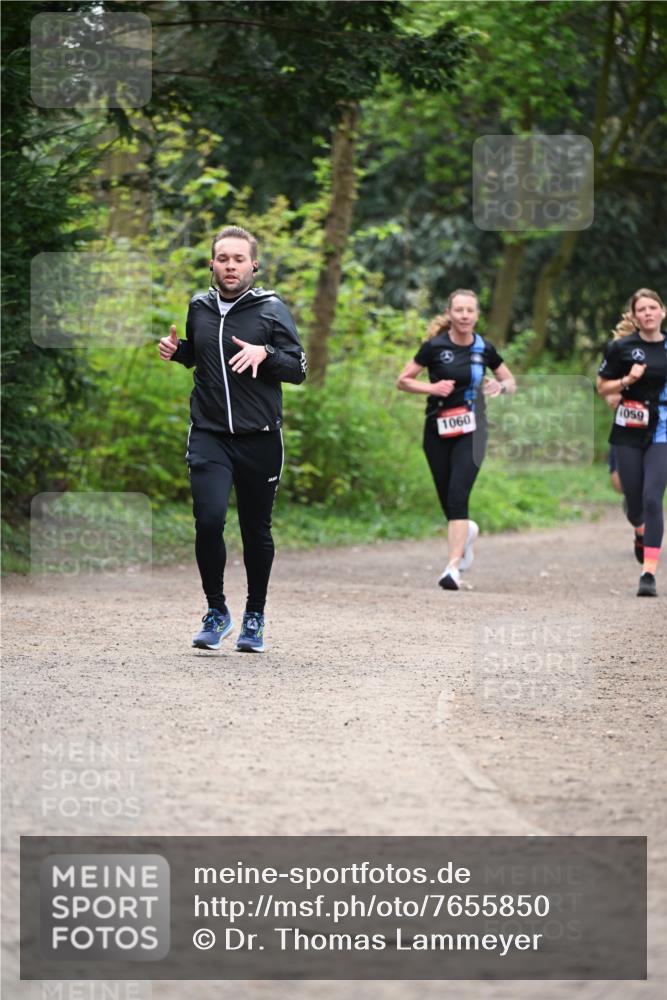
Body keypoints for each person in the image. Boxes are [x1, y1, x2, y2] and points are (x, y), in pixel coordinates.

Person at [159, 225, 307, 649]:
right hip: (209, 434)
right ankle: (216, 610)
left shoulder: (271, 309)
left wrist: (267, 353)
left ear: (253, 265)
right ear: (212, 263)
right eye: (223, 258)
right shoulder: (199, 306)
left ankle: (254, 616)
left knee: (255, 530)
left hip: (260, 438)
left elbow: (298, 368)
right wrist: (179, 352)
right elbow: (201, 355)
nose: (230, 266)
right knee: (208, 520)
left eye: (238, 259)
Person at [396, 289, 516, 590]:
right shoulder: (434, 347)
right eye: (459, 310)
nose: (464, 316)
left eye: (469, 311)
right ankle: (467, 533)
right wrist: (432, 389)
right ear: (449, 313)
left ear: (477, 315)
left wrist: (500, 387)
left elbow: (510, 380)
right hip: (437, 430)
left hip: (472, 431)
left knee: (458, 495)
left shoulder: (483, 348)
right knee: (447, 497)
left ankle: (452, 568)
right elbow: (403, 380)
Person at [597, 288, 667, 597]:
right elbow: (602, 387)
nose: (648, 313)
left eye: (653, 307)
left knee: (653, 499)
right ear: (635, 316)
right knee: (635, 504)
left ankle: (648, 573)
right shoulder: (621, 348)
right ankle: (639, 528)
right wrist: (626, 381)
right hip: (629, 429)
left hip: (663, 429)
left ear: (662, 312)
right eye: (642, 309)